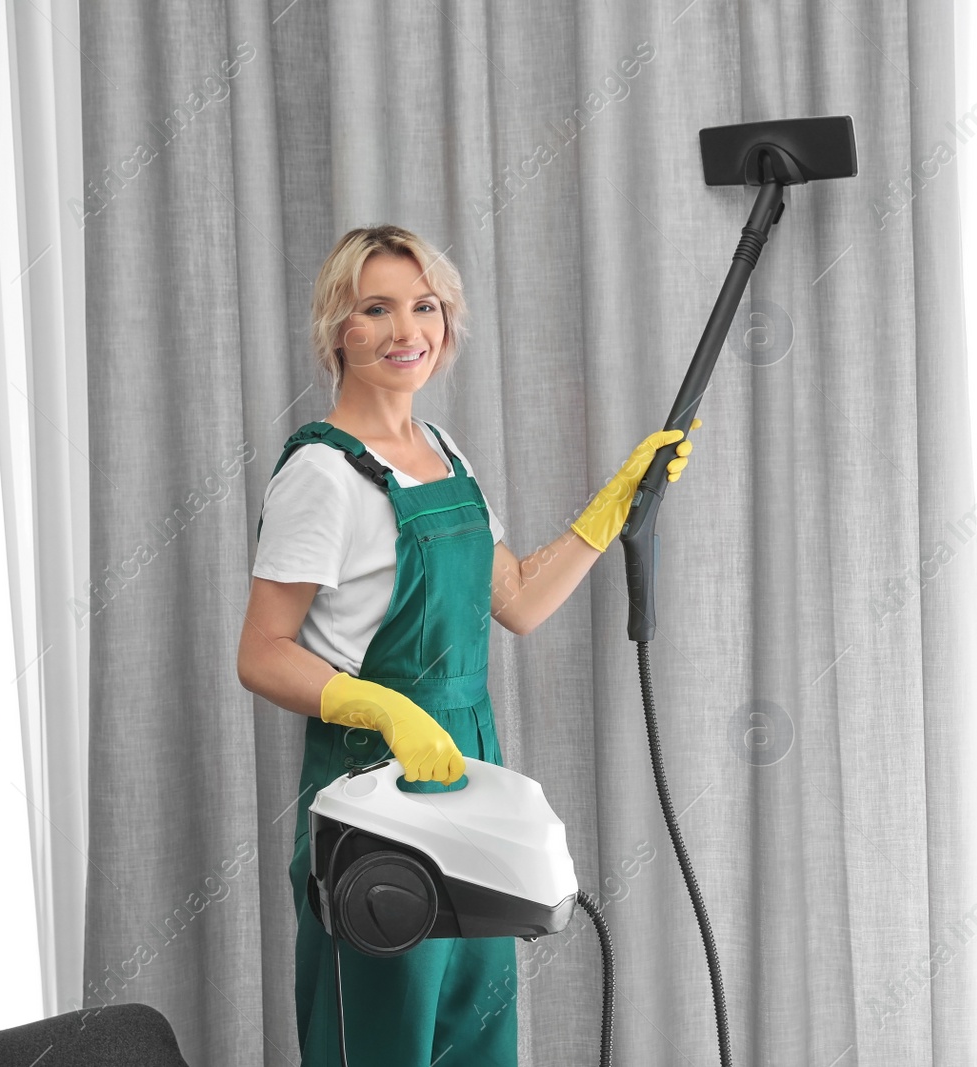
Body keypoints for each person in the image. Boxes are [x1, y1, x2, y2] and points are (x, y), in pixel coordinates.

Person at [236, 223, 699, 1065]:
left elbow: (514, 598)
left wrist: (613, 509)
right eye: (376, 308)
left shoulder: (442, 452)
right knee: (382, 1035)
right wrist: (381, 706)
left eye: (425, 307)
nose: (406, 331)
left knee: (476, 1032)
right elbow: (262, 650)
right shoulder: (321, 475)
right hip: (368, 789)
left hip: (466, 773)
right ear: (339, 328)